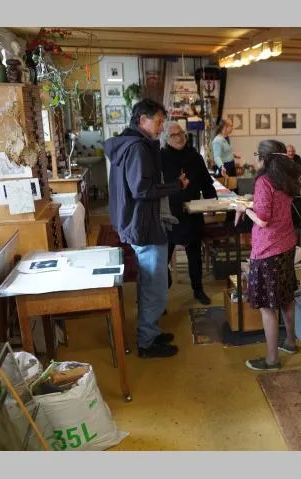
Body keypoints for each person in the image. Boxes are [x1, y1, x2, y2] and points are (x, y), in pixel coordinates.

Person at [105, 99, 189, 359]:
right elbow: (142, 189)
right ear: (143, 120)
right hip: (145, 224)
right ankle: (147, 342)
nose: (162, 128)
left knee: (150, 282)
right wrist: (176, 185)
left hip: (137, 221)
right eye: (159, 122)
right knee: (154, 285)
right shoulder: (138, 148)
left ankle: (149, 330)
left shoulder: (128, 143)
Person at [231, 140, 301, 371]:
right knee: (286, 298)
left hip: (268, 250)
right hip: (287, 244)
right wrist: (254, 203)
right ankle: (290, 342)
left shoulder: (264, 181)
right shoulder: (285, 179)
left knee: (268, 307)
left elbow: (262, 220)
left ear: (263, 158)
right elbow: (273, 206)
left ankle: (272, 360)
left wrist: (244, 208)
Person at [160, 122, 216, 306]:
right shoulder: (160, 157)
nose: (179, 138)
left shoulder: (195, 156)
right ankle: (160, 297)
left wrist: (212, 202)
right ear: (166, 138)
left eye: (181, 133)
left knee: (194, 255)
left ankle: (198, 290)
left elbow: (206, 183)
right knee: (163, 258)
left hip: (192, 212)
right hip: (169, 214)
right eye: (174, 135)